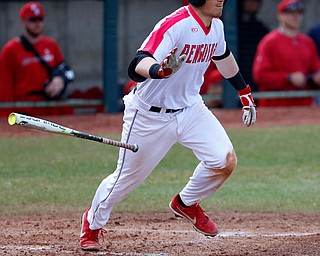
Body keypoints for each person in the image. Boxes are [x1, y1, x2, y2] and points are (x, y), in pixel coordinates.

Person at [80, 0, 257, 251]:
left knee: (223, 159)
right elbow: (137, 64)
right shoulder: (175, 24)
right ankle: (92, 223)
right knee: (125, 179)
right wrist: (158, 71)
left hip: (191, 109)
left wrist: (244, 91)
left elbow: (223, 56)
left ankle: (186, 202)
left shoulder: (216, 26)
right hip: (150, 116)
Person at [0, 2, 75, 117]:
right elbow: (5, 88)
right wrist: (6, 116)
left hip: (49, 107)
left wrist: (60, 79)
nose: (37, 23)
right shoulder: (10, 50)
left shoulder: (51, 44)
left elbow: (65, 70)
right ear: (23, 21)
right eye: (33, 20)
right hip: (24, 109)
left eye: (40, 19)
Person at [252, 0, 320, 107]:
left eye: (299, 13)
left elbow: (315, 70)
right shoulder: (269, 41)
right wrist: (288, 78)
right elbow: (260, 76)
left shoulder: (308, 42)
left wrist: (314, 78)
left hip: (303, 104)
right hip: (275, 105)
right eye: (291, 13)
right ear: (280, 16)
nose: (296, 17)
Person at [237, 0, 269, 92]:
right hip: (234, 77)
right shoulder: (226, 26)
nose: (253, 3)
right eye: (250, 0)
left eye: (256, 1)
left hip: (253, 80)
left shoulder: (261, 29)